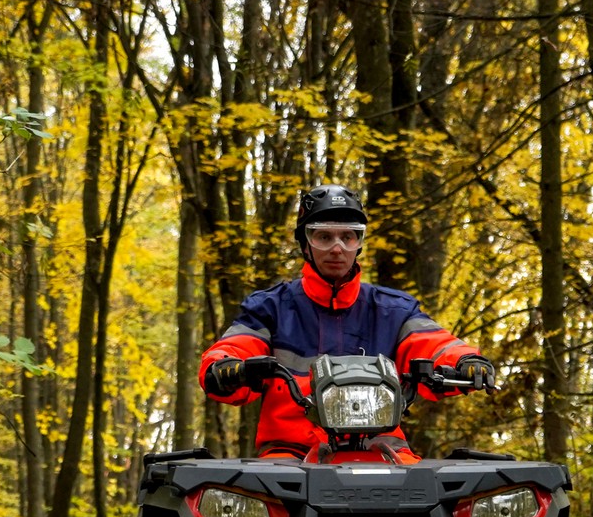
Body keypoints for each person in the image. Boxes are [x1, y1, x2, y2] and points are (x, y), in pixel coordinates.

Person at [199, 184, 496, 458]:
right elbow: (235, 347)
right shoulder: (270, 307)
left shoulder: (393, 310)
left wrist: (465, 360)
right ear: (306, 244)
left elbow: (435, 345)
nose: (337, 248)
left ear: (359, 244)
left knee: (436, 502)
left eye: (348, 236)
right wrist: (225, 367)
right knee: (259, 503)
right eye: (323, 236)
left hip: (383, 449)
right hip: (291, 452)